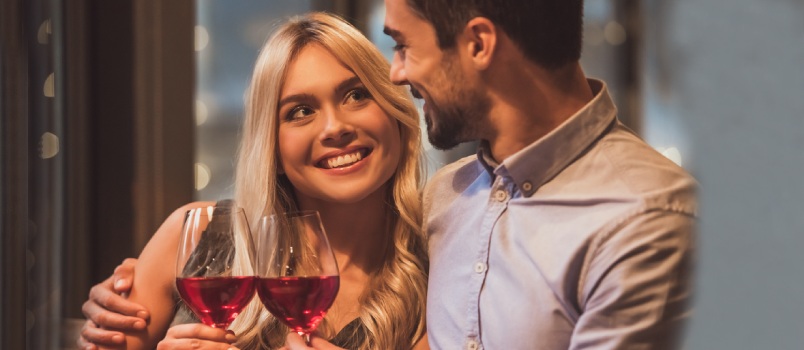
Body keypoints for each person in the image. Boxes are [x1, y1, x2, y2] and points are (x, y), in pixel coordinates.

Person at [84, 0, 698, 348]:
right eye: (299, 111)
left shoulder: (425, 246)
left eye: (360, 91)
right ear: (266, 139)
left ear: (479, 44)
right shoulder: (457, 203)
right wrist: (108, 330)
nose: (399, 72)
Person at [78, 12, 428, 350]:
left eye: (356, 94)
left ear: (393, 110)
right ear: (272, 150)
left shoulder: (440, 266)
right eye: (301, 112)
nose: (335, 128)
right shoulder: (198, 236)